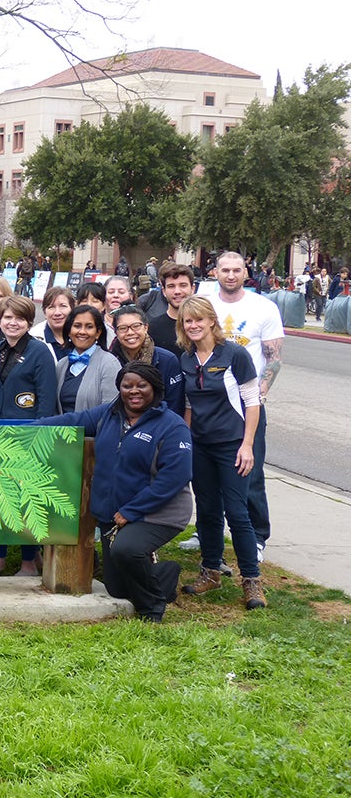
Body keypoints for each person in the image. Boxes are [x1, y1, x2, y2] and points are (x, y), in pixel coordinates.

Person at [37, 361, 191, 621]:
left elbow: (174, 478)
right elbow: (72, 420)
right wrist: (26, 428)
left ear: (154, 388)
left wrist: (132, 511)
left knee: (126, 550)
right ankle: (164, 574)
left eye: (142, 385)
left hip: (157, 513)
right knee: (116, 588)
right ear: (119, 388)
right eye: (127, 385)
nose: (134, 391)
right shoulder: (109, 414)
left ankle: (151, 607)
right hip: (114, 515)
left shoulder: (172, 426)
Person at [176, 296, 266, 610]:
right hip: (200, 445)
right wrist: (186, 441)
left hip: (231, 445)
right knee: (208, 510)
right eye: (188, 321)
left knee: (237, 512)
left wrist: (247, 445)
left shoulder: (235, 355)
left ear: (212, 321)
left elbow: (252, 402)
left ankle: (251, 581)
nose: (194, 326)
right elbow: (188, 405)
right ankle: (210, 570)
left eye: (199, 319)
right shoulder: (186, 358)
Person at [208, 251, 284, 561]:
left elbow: (273, 358)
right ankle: (208, 531)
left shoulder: (263, 308)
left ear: (245, 272)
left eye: (236, 270)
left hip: (246, 401)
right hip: (209, 399)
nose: (230, 275)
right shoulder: (205, 304)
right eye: (224, 270)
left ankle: (257, 537)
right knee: (208, 472)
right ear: (215, 272)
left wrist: (259, 397)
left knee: (249, 469)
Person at [0, 295, 58, 577]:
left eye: (19, 318)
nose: (13, 323)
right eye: (7, 317)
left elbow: (47, 401)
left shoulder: (39, 353)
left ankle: (27, 562)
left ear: (28, 322)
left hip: (26, 438)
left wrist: (39, 437)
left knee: (24, 501)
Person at [109, 304, 184, 416]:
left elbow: (175, 405)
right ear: (115, 332)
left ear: (146, 327)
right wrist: (73, 433)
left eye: (136, 326)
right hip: (119, 424)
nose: (130, 332)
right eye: (123, 328)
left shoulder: (167, 360)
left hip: (159, 426)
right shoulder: (109, 361)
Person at [55, 305, 120, 413]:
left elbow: (111, 411)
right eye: (77, 326)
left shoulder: (109, 364)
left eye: (89, 327)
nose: (82, 332)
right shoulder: (61, 365)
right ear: (69, 331)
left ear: (98, 333)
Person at [146, 263, 194, 358]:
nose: (177, 291)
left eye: (183, 285)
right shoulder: (153, 328)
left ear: (192, 289)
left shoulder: (203, 326)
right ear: (164, 291)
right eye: (171, 286)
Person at [30, 286, 75, 360]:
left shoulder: (83, 335)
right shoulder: (33, 339)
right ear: (44, 313)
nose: (57, 313)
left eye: (63, 306)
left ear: (72, 309)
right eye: (51, 307)